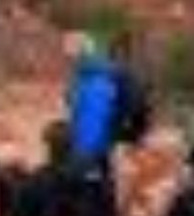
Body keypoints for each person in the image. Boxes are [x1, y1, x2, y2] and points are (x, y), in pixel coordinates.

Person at [63, 34, 150, 173]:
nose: (68, 63)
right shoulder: (97, 74)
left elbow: (92, 119)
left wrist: (83, 154)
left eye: (70, 58)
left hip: (96, 150)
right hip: (111, 144)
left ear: (80, 55)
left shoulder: (96, 79)